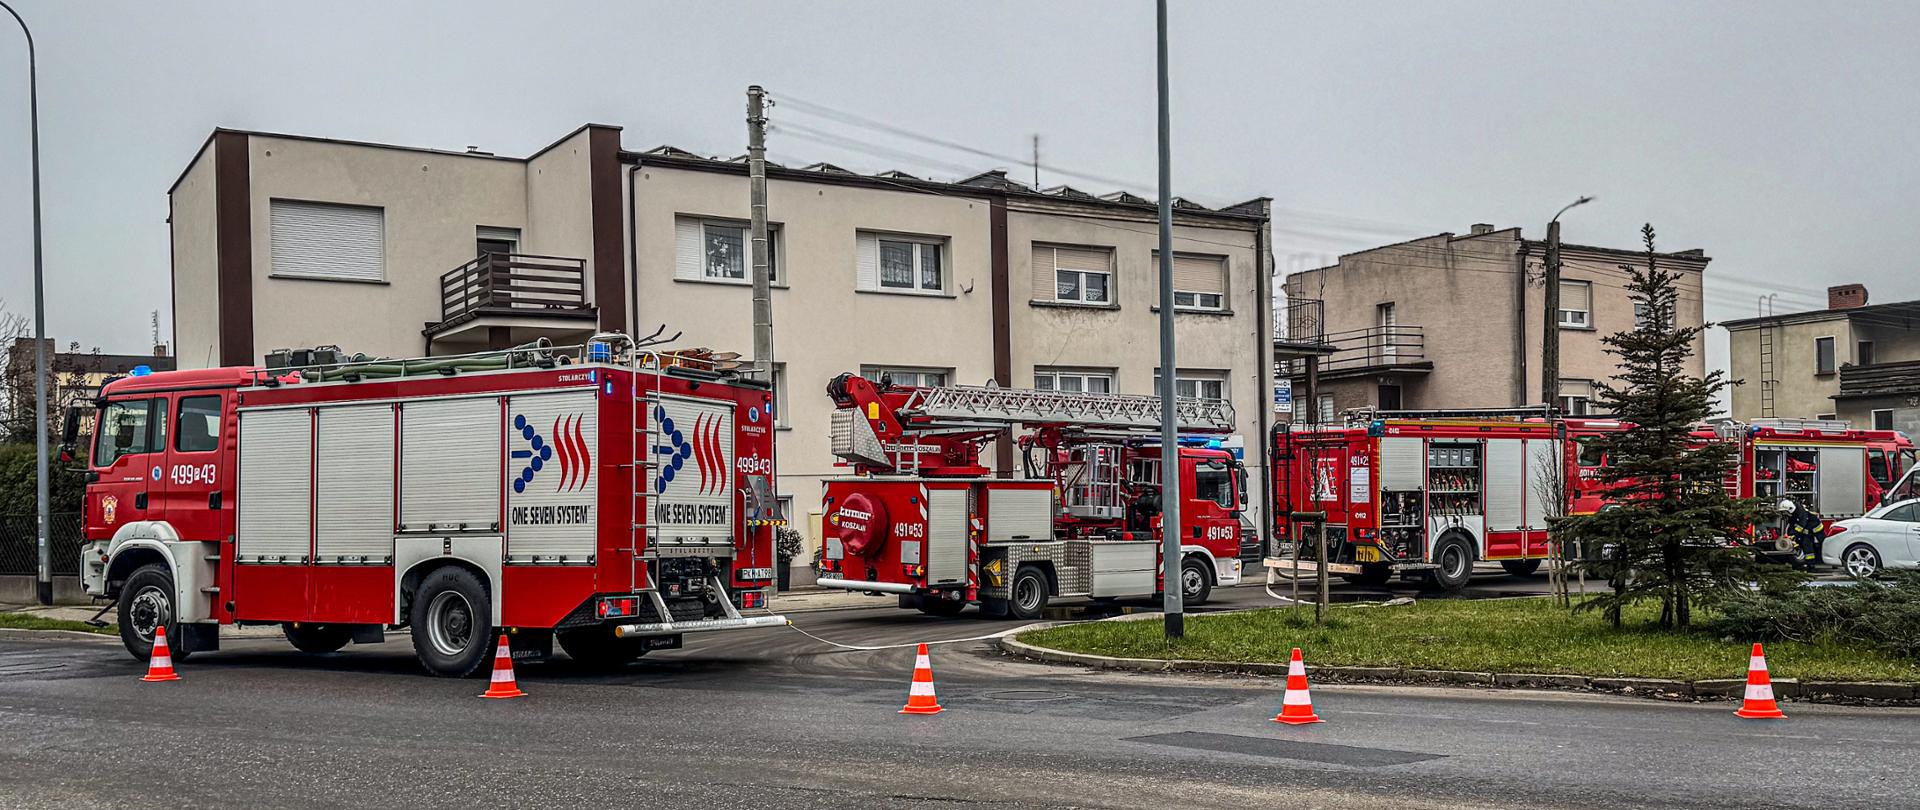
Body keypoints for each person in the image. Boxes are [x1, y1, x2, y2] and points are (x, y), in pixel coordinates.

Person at [1777, 498, 1823, 567]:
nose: (1784, 514)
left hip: (1816, 528)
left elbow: (1801, 525)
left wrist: (1794, 534)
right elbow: (1792, 525)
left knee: (1823, 544)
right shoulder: (1792, 514)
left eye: (1785, 512)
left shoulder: (1801, 512)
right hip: (1807, 531)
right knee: (1806, 545)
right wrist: (1790, 534)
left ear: (1790, 509)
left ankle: (1829, 558)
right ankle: (1811, 564)